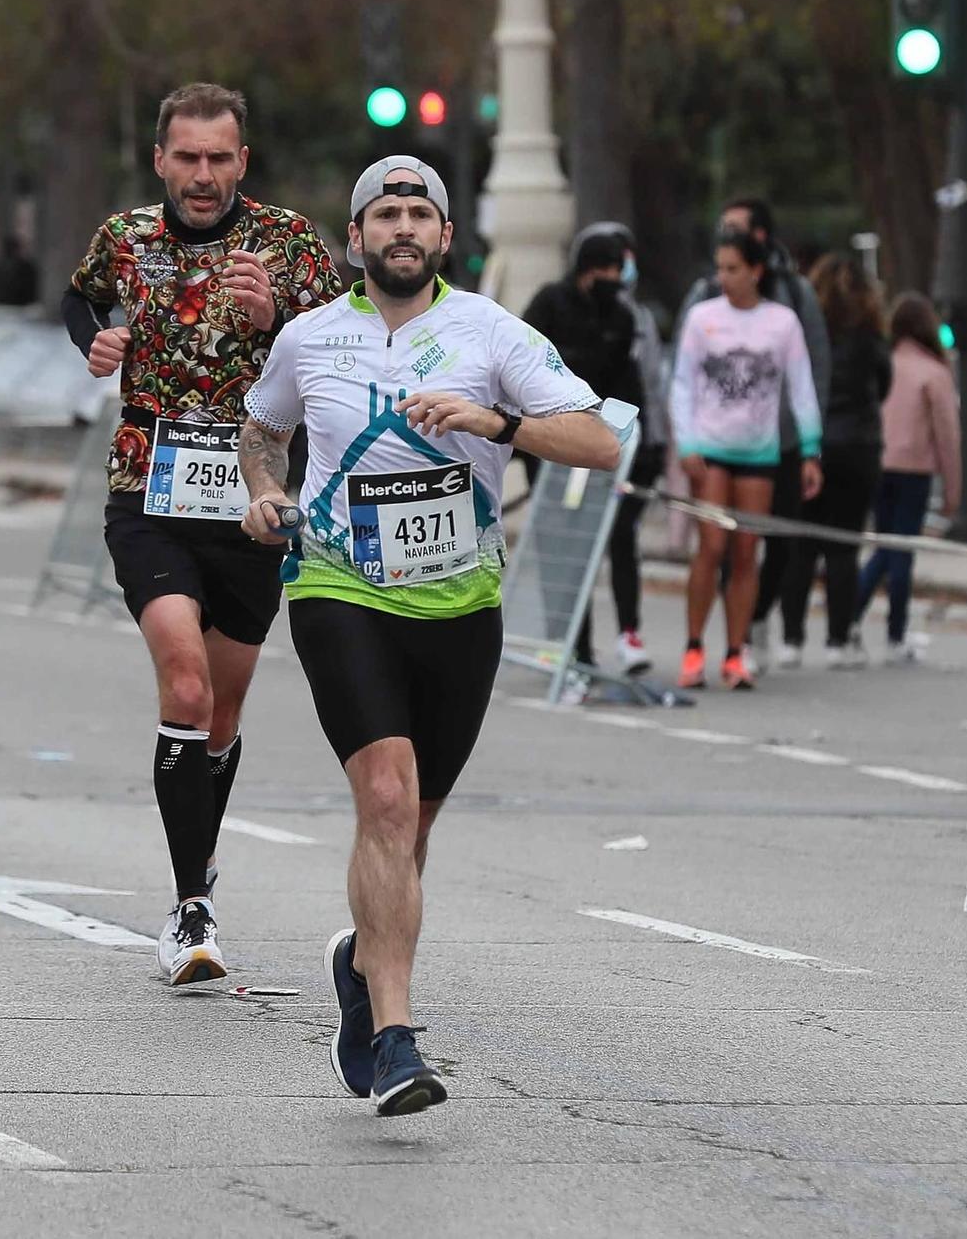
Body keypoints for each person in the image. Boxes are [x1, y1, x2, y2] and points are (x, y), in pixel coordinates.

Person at [238, 157, 619, 1114]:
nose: (402, 228)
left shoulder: (489, 332)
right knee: (388, 800)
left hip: (459, 605)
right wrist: (267, 494)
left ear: (445, 237)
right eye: (384, 214)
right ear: (357, 235)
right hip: (337, 585)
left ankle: (360, 962)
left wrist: (497, 421)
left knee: (410, 836)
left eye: (419, 214)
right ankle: (398, 1043)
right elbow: (260, 428)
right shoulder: (309, 337)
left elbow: (601, 441)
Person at [62, 81, 341, 985]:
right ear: (160, 159)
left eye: (220, 158)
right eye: (187, 157)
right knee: (182, 684)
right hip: (148, 486)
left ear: (243, 162)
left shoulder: (291, 244)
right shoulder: (125, 238)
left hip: (254, 501)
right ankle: (191, 909)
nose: (203, 175)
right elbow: (82, 300)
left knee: (220, 715)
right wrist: (95, 342)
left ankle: (198, 859)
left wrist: (279, 321)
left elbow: (346, 346)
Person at [678, 198, 830, 669]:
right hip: (712, 446)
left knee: (747, 552)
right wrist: (687, 443)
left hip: (760, 451)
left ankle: (735, 650)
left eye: (734, 269)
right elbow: (682, 383)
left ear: (756, 271)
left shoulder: (781, 322)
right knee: (712, 546)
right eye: (721, 268)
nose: (724, 278)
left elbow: (801, 386)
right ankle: (694, 646)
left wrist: (810, 450)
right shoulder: (703, 317)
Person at [522, 226, 658, 683]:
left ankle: (628, 634)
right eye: (610, 270)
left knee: (619, 538)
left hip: (601, 446)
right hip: (553, 445)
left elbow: (627, 383)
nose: (617, 279)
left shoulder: (619, 315)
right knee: (560, 548)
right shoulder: (549, 305)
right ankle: (572, 646)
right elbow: (523, 371)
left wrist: (635, 442)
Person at [776, 254, 892, 668]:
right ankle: (837, 640)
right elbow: (883, 387)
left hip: (814, 442)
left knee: (801, 545)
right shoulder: (870, 338)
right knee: (843, 547)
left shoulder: (806, 337)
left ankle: (791, 638)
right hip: (858, 444)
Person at [852, 294, 960, 663]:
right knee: (901, 553)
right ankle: (895, 634)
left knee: (884, 546)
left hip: (879, 464)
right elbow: (947, 435)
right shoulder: (934, 373)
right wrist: (953, 487)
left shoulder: (884, 365)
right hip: (915, 469)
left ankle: (849, 617)